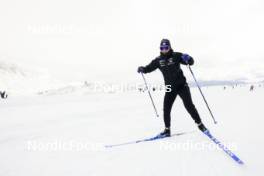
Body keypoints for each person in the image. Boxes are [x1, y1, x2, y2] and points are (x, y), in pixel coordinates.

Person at [137, 39, 208, 137]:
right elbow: (149, 68)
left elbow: (190, 62)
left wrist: (189, 58)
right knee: (166, 108)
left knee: (189, 105)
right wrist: (143, 69)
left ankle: (200, 125)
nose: (164, 50)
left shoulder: (176, 56)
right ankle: (167, 130)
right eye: (162, 48)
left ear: (169, 47)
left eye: (166, 47)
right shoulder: (158, 60)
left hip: (181, 85)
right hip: (169, 88)